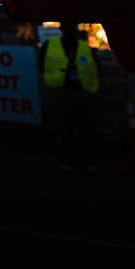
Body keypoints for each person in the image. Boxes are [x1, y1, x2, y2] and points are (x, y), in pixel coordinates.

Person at [41, 21, 101, 171]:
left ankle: (86, 161)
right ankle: (67, 160)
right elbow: (41, 65)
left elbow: (97, 68)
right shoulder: (50, 46)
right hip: (61, 93)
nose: (70, 33)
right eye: (67, 30)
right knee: (64, 130)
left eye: (71, 30)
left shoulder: (85, 47)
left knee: (85, 130)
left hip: (83, 93)